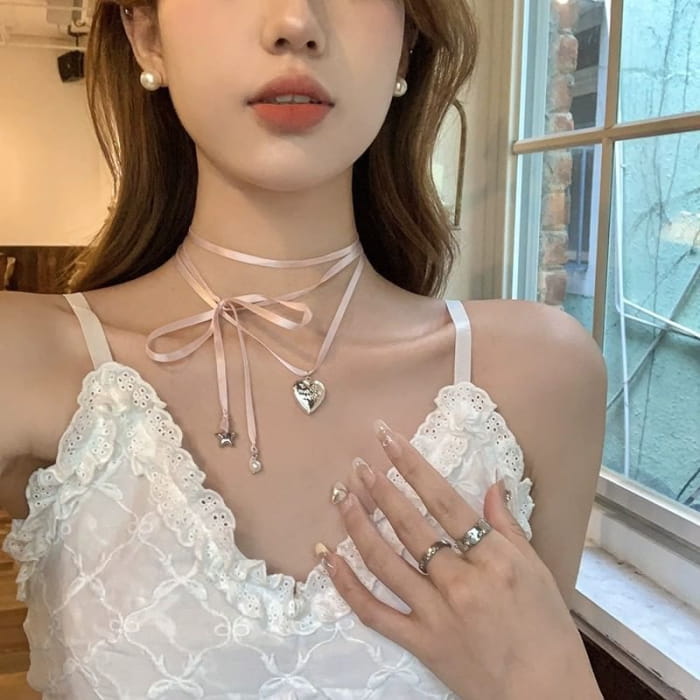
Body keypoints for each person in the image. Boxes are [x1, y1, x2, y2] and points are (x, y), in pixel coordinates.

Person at [0, 0, 607, 697]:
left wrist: (552, 675)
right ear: (146, 35)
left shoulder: (539, 375)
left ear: (407, 42)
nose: (294, 22)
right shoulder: (28, 358)